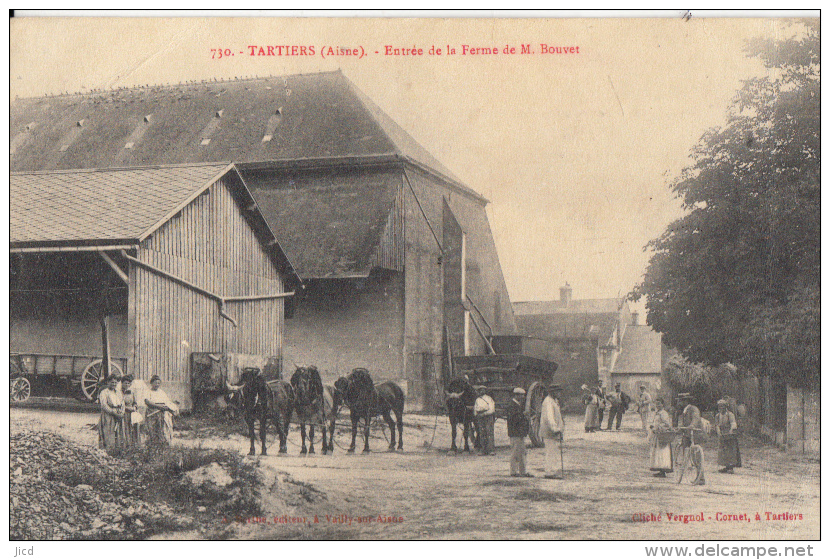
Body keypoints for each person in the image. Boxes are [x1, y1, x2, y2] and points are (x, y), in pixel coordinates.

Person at [677, 393, 705, 485]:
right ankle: (683, 473)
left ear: (686, 401)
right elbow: (683, 422)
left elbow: (696, 419)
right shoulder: (684, 410)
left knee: (696, 456)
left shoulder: (693, 409)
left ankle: (700, 478)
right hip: (687, 434)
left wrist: (692, 425)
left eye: (681, 400)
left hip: (695, 433)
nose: (679, 402)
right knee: (686, 452)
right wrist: (680, 427)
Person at [145, 375, 179, 446]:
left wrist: (172, 404)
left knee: (162, 428)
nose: (157, 385)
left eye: (158, 383)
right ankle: (152, 444)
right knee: (152, 429)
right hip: (152, 412)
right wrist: (159, 407)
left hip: (161, 413)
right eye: (155, 383)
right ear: (151, 383)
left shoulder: (161, 392)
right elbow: (147, 402)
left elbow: (166, 401)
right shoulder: (148, 392)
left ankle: (162, 444)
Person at [541, 384, 565, 479]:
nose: (559, 393)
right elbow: (549, 418)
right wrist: (555, 429)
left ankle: (553, 470)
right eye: (558, 391)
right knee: (550, 452)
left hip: (553, 432)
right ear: (553, 392)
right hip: (550, 432)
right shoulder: (548, 402)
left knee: (554, 451)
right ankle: (549, 472)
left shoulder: (553, 401)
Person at [506, 387, 531, 477]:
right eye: (521, 395)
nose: (523, 397)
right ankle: (514, 472)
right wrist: (523, 415)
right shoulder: (512, 405)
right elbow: (514, 419)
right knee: (515, 452)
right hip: (516, 433)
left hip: (518, 433)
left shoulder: (516, 405)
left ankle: (521, 471)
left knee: (521, 452)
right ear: (516, 395)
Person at [98, 375, 125, 455]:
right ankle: (108, 451)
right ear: (108, 382)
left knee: (118, 432)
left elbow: (122, 403)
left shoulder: (118, 392)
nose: (113, 384)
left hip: (118, 413)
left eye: (115, 383)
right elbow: (104, 405)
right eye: (112, 382)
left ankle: (118, 451)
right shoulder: (104, 392)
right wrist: (113, 412)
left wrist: (121, 412)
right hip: (108, 415)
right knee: (108, 431)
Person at [648, 397, 674, 477]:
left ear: (663, 404)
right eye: (656, 404)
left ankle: (663, 471)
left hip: (662, 435)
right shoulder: (657, 413)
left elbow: (667, 424)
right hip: (657, 435)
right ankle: (660, 470)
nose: (657, 405)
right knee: (657, 453)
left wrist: (658, 427)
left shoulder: (663, 413)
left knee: (663, 453)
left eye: (659, 404)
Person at [715, 399, 741, 474]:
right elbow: (717, 425)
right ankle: (726, 466)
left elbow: (733, 424)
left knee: (730, 450)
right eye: (719, 407)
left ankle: (731, 467)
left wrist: (731, 431)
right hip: (722, 435)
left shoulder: (730, 414)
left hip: (729, 434)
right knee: (723, 450)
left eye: (722, 406)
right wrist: (718, 432)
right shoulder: (717, 415)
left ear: (726, 407)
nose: (721, 408)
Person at [120, 375, 145, 449]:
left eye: (128, 383)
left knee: (134, 429)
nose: (127, 385)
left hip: (132, 414)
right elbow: (119, 404)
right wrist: (128, 408)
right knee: (125, 429)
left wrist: (134, 407)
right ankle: (125, 446)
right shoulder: (119, 393)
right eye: (125, 383)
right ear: (122, 383)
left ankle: (135, 446)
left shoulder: (131, 392)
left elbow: (135, 402)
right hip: (123, 413)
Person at [473, 386, 496, 456]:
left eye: (483, 390)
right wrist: (476, 414)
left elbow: (492, 409)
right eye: (480, 390)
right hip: (480, 417)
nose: (481, 391)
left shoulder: (489, 399)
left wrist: (484, 413)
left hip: (488, 416)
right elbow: (475, 408)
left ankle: (491, 450)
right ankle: (483, 449)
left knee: (489, 432)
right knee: (482, 433)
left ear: (485, 391)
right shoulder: (477, 400)